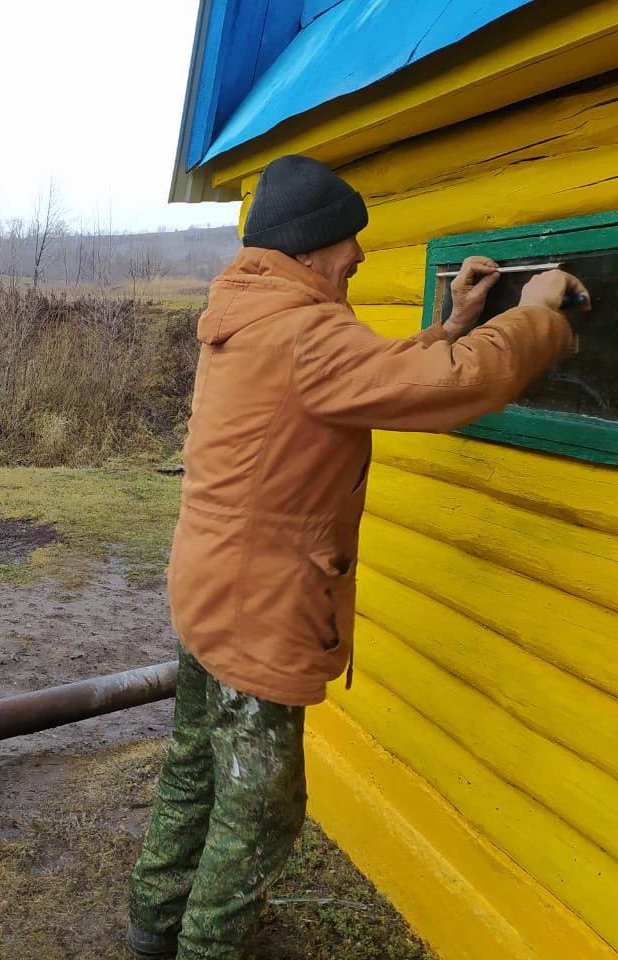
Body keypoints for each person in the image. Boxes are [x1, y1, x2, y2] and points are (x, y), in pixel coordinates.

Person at [126, 154, 584, 960]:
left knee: (196, 765)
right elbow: (450, 386)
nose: (361, 257)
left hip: (209, 589)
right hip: (257, 610)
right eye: (349, 243)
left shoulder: (252, 311)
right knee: (261, 810)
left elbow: (358, 378)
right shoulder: (305, 331)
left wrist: (446, 328)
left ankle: (152, 924)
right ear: (310, 248)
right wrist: (538, 311)